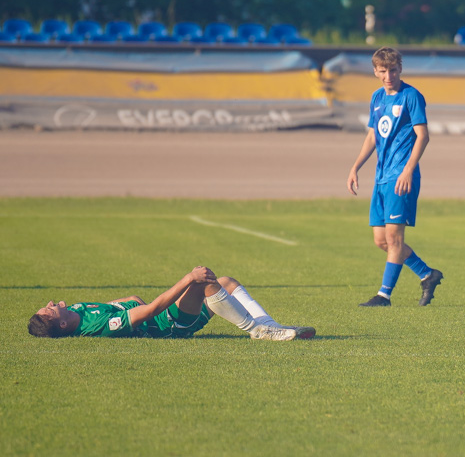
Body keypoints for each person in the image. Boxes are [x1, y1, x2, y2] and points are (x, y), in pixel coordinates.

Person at [347, 47, 443, 307]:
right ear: (375, 71)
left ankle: (384, 295)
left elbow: (423, 136)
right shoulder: (377, 97)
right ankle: (427, 274)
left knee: (394, 240)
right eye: (382, 70)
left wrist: (408, 170)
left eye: (392, 69)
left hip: (400, 176)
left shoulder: (411, 96)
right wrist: (356, 167)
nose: (388, 75)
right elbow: (372, 136)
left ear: (400, 68)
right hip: (381, 177)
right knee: (381, 241)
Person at [28, 266, 316, 341]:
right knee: (204, 283)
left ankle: (272, 327)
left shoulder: (76, 312)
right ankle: (256, 330)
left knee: (226, 281)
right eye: (50, 310)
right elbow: (152, 309)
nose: (52, 303)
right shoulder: (102, 326)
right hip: (169, 324)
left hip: (165, 315)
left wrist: (129, 301)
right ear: (62, 324)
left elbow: (124, 302)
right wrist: (188, 278)